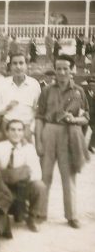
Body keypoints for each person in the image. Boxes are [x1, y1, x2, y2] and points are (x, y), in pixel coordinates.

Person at [35, 54, 90, 229]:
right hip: (49, 131)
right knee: (45, 175)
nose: (61, 72)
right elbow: (39, 117)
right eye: (58, 68)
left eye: (65, 68)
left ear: (71, 69)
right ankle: (41, 213)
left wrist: (75, 120)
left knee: (69, 176)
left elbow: (86, 118)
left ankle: (72, 216)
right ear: (55, 69)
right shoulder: (46, 91)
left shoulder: (79, 91)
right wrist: (38, 140)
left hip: (70, 133)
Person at [0, 53, 41, 141]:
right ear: (10, 66)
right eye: (15, 63)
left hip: (27, 128)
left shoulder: (34, 84)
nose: (18, 67)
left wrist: (31, 129)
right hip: (7, 128)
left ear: (26, 65)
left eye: (21, 63)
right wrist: (6, 108)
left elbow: (37, 110)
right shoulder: (2, 83)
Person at [85, 77, 95, 153]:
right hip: (86, 115)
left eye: (94, 85)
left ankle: (91, 146)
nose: (92, 87)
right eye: (90, 85)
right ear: (88, 86)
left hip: (94, 116)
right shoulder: (84, 93)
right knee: (84, 131)